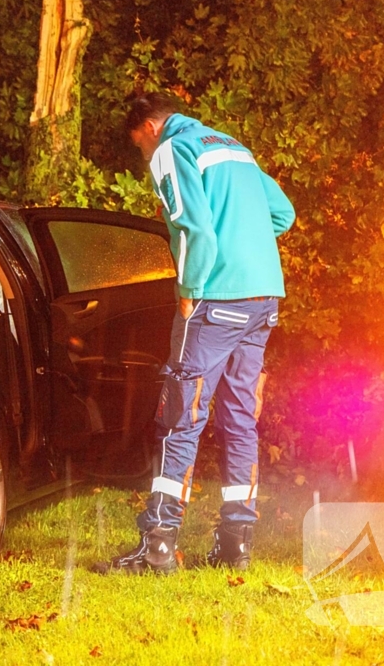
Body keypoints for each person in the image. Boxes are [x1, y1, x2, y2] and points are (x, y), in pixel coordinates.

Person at [93, 92, 295, 574]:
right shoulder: (233, 147)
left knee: (180, 414)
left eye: (138, 144)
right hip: (263, 297)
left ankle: (158, 547)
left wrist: (190, 288)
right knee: (240, 419)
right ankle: (235, 545)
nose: (143, 155)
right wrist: (242, 241)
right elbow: (282, 215)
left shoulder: (172, 149)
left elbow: (193, 229)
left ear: (149, 126)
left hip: (215, 299)